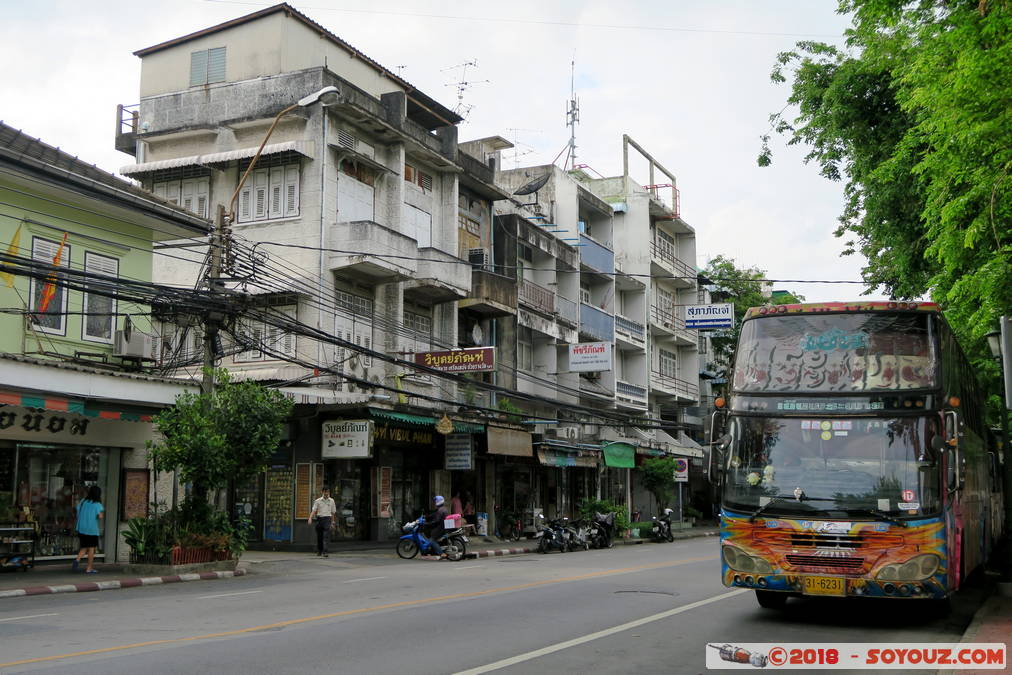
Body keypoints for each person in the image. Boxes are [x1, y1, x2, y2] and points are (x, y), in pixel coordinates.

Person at [72, 486, 104, 574]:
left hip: (81, 528)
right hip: (91, 529)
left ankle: (77, 560)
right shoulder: (97, 504)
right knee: (91, 549)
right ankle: (89, 568)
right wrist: (97, 515)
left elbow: (77, 510)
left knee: (85, 546)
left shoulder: (83, 501)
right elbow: (100, 516)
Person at [308, 486, 337, 558]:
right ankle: (319, 550)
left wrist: (333, 522)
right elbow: (314, 510)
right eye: (325, 492)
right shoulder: (317, 501)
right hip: (319, 519)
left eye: (328, 492)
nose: (327, 493)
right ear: (322, 492)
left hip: (327, 519)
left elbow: (333, 513)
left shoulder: (332, 501)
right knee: (319, 537)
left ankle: (325, 552)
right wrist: (310, 518)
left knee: (325, 536)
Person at [426, 495, 449, 559]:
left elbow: (436, 521)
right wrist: (428, 517)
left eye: (435, 501)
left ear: (438, 502)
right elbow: (434, 514)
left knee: (431, 540)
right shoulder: (443, 508)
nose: (434, 502)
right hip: (444, 527)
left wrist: (427, 523)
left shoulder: (440, 510)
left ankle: (441, 553)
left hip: (441, 528)